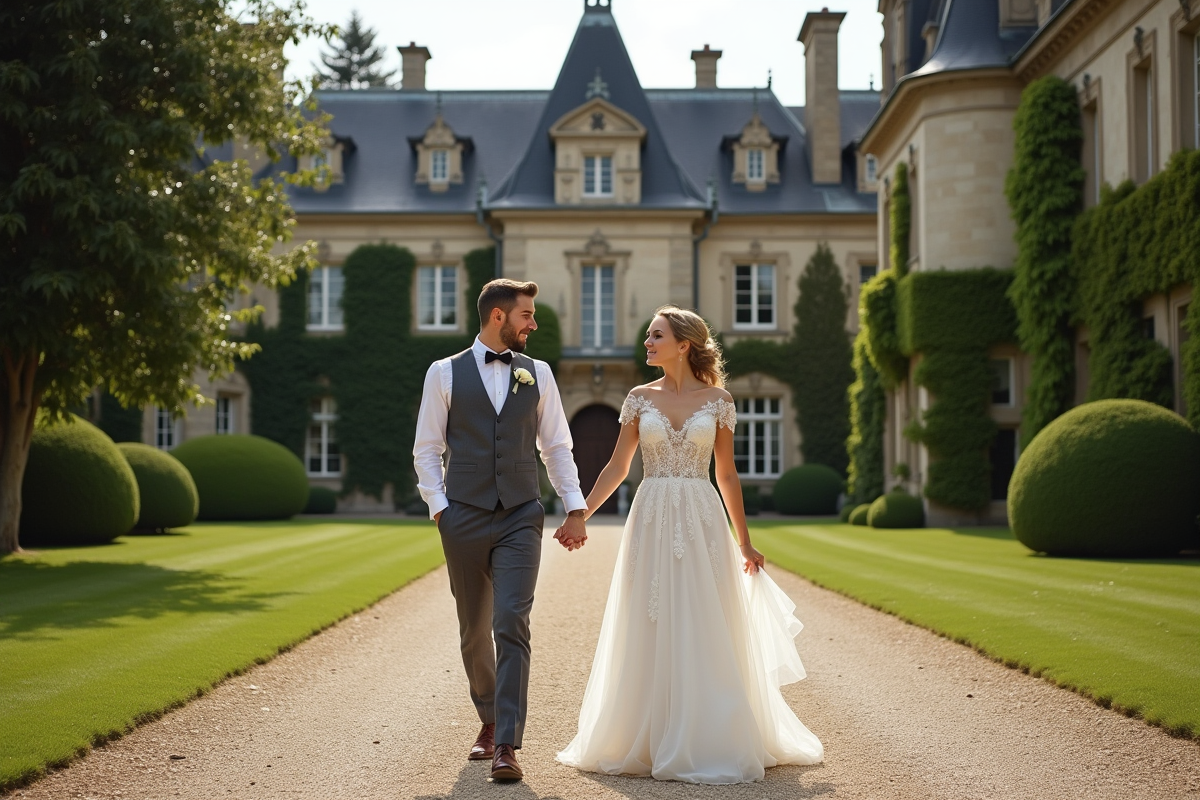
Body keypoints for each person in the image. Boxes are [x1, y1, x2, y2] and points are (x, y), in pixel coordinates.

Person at [556, 305, 824, 784]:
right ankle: (649, 733)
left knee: (706, 615)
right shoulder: (638, 398)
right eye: (648, 336)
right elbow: (618, 468)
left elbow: (726, 473)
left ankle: (709, 733)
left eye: (656, 336)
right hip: (652, 513)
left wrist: (745, 543)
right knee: (649, 614)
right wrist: (580, 515)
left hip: (702, 517)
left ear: (684, 344)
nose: (647, 343)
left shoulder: (719, 400)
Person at [413, 279, 589, 784]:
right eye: (527, 315)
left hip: (519, 514)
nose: (533, 324)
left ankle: (507, 743)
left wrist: (573, 507)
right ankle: (488, 719)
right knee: (474, 631)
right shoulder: (443, 373)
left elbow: (556, 447)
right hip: (462, 514)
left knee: (511, 621)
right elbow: (426, 448)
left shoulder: (539, 373)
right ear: (498, 316)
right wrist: (440, 508)